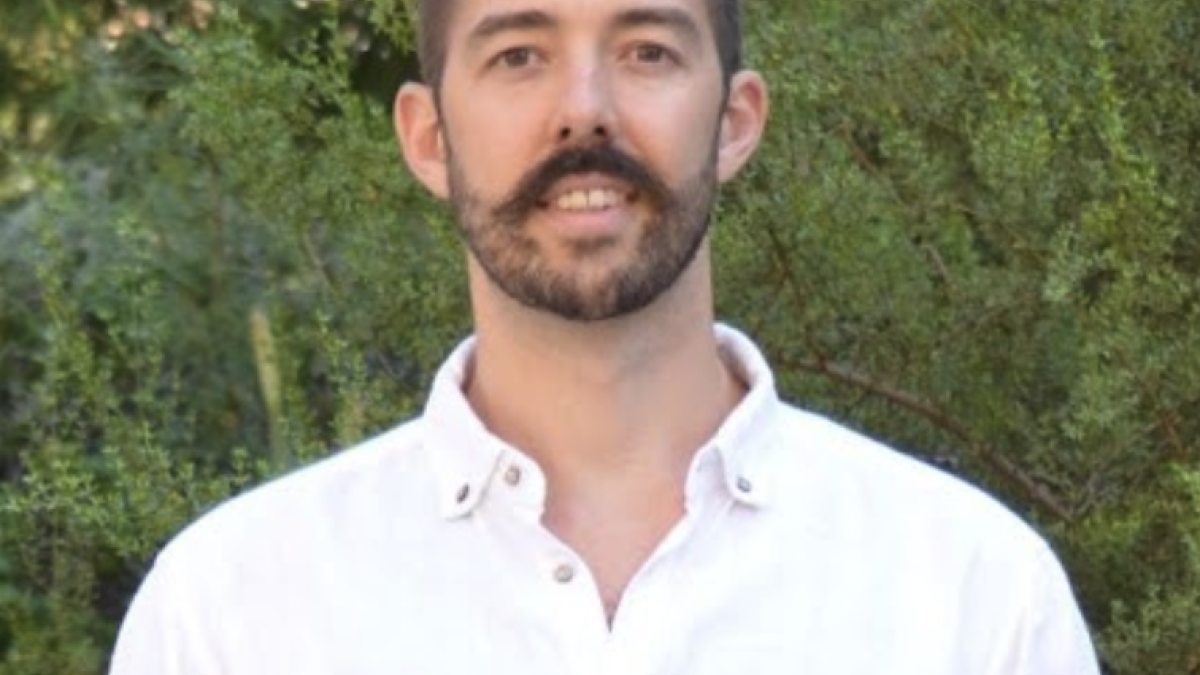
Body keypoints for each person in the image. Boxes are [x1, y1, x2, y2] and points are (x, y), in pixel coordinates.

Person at [110, 0, 1102, 672]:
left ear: (735, 121)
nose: (584, 112)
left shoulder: (973, 596)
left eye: (647, 52)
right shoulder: (230, 615)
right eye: (517, 56)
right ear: (426, 137)